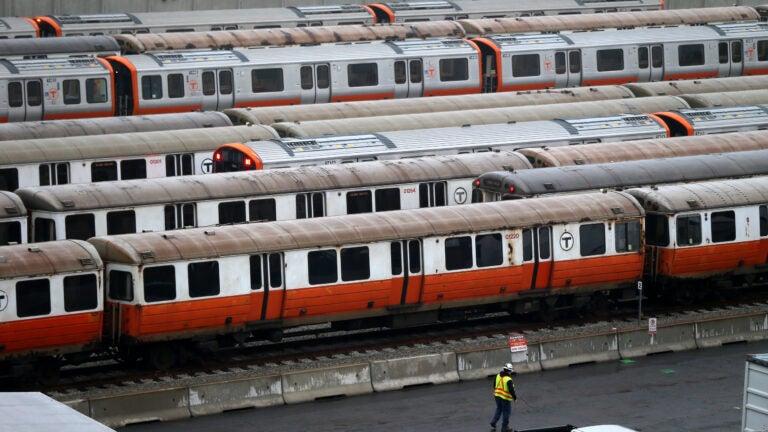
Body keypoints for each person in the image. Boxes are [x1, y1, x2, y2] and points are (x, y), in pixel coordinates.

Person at [490, 362, 517, 432]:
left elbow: (494, 385)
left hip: (497, 396)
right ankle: (504, 427)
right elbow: (511, 390)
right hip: (505, 398)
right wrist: (515, 398)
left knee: (499, 408)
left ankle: (494, 421)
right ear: (509, 371)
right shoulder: (508, 379)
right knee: (506, 412)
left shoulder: (498, 375)